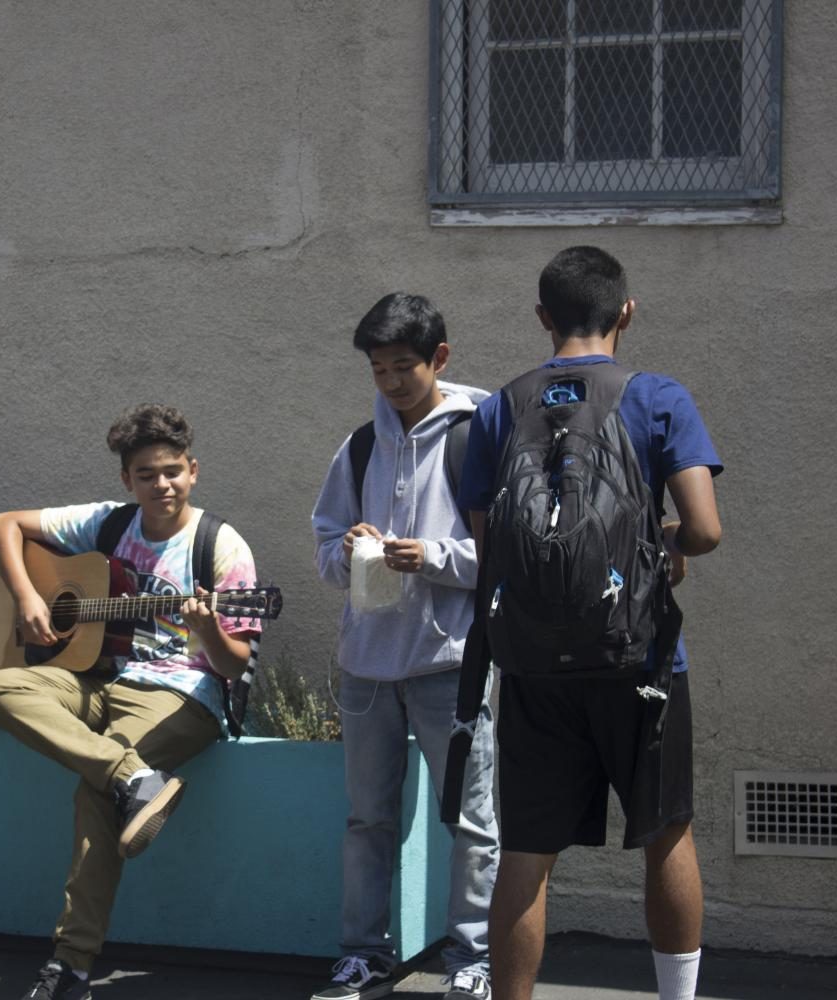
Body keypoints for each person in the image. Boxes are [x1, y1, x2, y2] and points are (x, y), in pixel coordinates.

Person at [459, 246, 723, 1000]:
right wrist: (660, 542)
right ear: (625, 313)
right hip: (639, 659)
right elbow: (702, 530)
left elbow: (489, 545)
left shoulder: (496, 407)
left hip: (533, 663)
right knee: (665, 831)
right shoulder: (656, 397)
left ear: (542, 318)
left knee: (525, 851)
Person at [0, 404, 261, 1000]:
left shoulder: (220, 546)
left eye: (173, 471)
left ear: (194, 471)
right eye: (147, 474)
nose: (162, 485)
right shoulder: (109, 525)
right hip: (100, 681)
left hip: (183, 694)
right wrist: (29, 598)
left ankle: (72, 967)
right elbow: (4, 522)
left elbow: (236, 664)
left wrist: (206, 628)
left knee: (94, 792)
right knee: (2, 686)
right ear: (126, 480)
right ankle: (133, 776)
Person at [310, 294, 499, 1000]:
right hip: (366, 666)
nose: (390, 382)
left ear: (439, 358)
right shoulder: (358, 445)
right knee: (366, 820)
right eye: (378, 369)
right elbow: (324, 548)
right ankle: (362, 955)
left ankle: (473, 960)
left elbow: (509, 555)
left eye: (403, 367)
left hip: (451, 663)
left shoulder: (480, 435)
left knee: (473, 823)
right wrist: (350, 551)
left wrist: (435, 557)